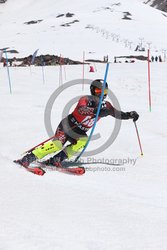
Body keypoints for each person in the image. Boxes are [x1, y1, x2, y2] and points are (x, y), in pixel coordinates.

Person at [15, 79, 139, 168]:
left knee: (83, 142)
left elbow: (117, 114)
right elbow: (81, 110)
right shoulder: (86, 99)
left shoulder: (106, 105)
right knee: (57, 144)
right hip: (68, 125)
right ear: (92, 91)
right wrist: (97, 111)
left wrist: (129, 115)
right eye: (98, 90)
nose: (101, 93)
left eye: (104, 91)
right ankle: (28, 158)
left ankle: (56, 160)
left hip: (80, 131)